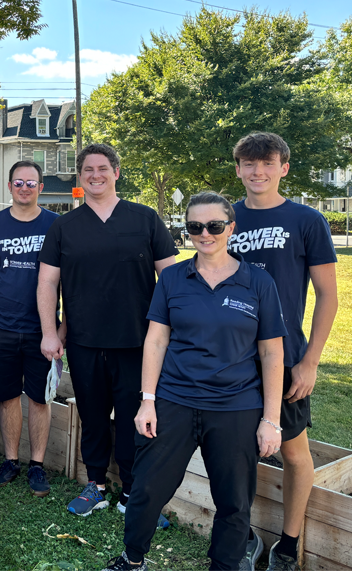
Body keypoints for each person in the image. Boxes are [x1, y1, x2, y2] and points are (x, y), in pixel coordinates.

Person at [104, 191, 286, 571]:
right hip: (174, 400)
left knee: (234, 500)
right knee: (148, 488)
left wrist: (271, 419)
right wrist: (148, 400)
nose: (205, 233)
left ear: (231, 228)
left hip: (236, 405)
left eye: (214, 226)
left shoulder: (258, 282)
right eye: (195, 227)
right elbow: (156, 340)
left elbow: (271, 353)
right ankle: (132, 558)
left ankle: (225, 564)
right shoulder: (172, 278)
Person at [37, 143, 177, 520]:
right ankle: (96, 485)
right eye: (88, 170)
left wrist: (174, 330)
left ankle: (133, 492)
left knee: (137, 418)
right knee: (93, 417)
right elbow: (48, 283)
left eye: (103, 168)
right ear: (79, 177)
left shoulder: (146, 219)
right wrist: (51, 332)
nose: (95, 175)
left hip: (137, 342)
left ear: (117, 172)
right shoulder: (63, 226)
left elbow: (172, 279)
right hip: (83, 342)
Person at [228, 132, 338, 571]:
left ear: (283, 168)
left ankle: (288, 545)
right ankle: (246, 536)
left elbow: (328, 295)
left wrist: (310, 360)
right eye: (249, 164)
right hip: (231, 358)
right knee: (235, 453)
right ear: (237, 169)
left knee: (292, 451)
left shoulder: (307, 220)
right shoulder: (224, 217)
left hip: (287, 357)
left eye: (267, 163)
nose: (258, 172)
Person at [0, 161, 59, 497]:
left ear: (40, 187)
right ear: (9, 186)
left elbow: (64, 278)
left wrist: (59, 327)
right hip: (1, 326)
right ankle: (11, 461)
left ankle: (37, 465)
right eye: (19, 182)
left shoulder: (56, 225)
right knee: (7, 397)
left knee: (40, 399)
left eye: (31, 183)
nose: (25, 188)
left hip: (42, 329)